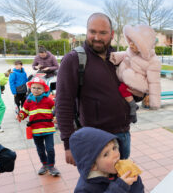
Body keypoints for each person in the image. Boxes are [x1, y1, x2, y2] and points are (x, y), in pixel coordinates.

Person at [56, 13, 144, 166]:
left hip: (122, 135)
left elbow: (131, 94)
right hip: (94, 138)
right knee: (96, 186)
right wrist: (68, 144)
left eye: (102, 33)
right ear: (86, 32)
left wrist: (142, 91)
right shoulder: (74, 60)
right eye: (92, 32)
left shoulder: (120, 58)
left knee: (121, 184)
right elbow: (63, 103)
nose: (97, 37)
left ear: (111, 34)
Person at [109, 24, 161, 122]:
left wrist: (154, 101)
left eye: (134, 42)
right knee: (120, 90)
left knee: (122, 88)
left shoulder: (153, 61)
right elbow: (125, 54)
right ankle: (132, 108)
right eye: (130, 41)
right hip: (123, 82)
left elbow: (155, 82)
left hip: (136, 84)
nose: (131, 44)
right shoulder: (131, 51)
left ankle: (133, 106)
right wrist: (115, 57)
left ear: (143, 45)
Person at [17, 77, 60, 176]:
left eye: (39, 88)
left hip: (48, 128)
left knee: (50, 149)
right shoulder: (28, 101)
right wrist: (21, 115)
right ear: (30, 88)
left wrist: (56, 116)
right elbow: (24, 111)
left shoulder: (48, 100)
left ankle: (51, 165)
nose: (36, 90)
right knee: (40, 149)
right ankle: (44, 164)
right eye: (33, 87)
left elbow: (57, 108)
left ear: (44, 89)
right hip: (35, 130)